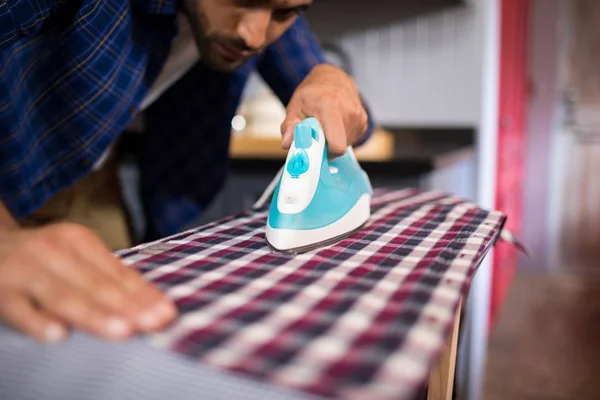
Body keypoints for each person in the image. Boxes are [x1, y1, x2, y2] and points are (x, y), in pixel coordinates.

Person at [0, 0, 376, 343]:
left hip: (89, 182)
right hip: (10, 179)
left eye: (285, 13)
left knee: (111, 335)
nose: (254, 36)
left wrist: (332, 79)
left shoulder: (269, 11)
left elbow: (352, 121)